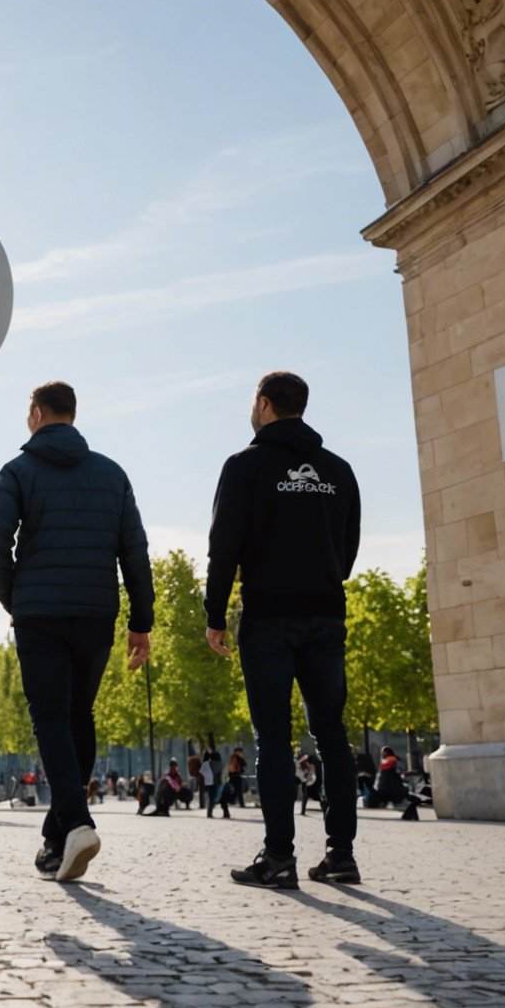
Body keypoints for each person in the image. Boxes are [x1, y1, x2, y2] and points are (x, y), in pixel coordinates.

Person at [0, 381, 153, 882]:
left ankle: (76, 822)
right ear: (73, 415)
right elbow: (134, 553)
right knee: (79, 715)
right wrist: (141, 621)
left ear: (35, 414)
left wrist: (15, 598)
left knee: (51, 718)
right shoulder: (112, 473)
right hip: (97, 611)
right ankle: (57, 839)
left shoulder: (18, 471)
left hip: (40, 613)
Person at [203, 371, 362, 889]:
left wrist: (214, 614)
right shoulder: (339, 470)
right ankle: (341, 855)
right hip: (325, 613)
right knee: (332, 735)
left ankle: (279, 858)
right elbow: (349, 552)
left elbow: (223, 547)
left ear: (265, 404)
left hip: (268, 615)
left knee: (272, 739)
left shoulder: (244, 466)